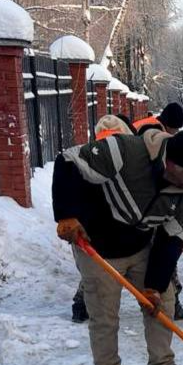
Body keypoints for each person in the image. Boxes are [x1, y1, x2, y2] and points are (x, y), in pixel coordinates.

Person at [53, 124, 183, 365]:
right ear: (174, 165)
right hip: (97, 248)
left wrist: (154, 285)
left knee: (162, 301)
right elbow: (69, 161)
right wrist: (66, 214)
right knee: (104, 315)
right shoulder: (126, 151)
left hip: (140, 246)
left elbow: (171, 238)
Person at [70, 115, 136, 324]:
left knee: (97, 268)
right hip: (94, 226)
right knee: (98, 268)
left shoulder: (91, 156)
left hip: (102, 225)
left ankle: (82, 305)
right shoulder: (93, 161)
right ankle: (82, 304)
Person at [133, 102, 183, 321]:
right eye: (175, 130)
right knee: (165, 258)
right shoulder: (157, 136)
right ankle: (173, 303)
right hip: (144, 201)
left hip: (140, 199)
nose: (174, 135)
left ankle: (81, 303)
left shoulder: (145, 123)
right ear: (168, 125)